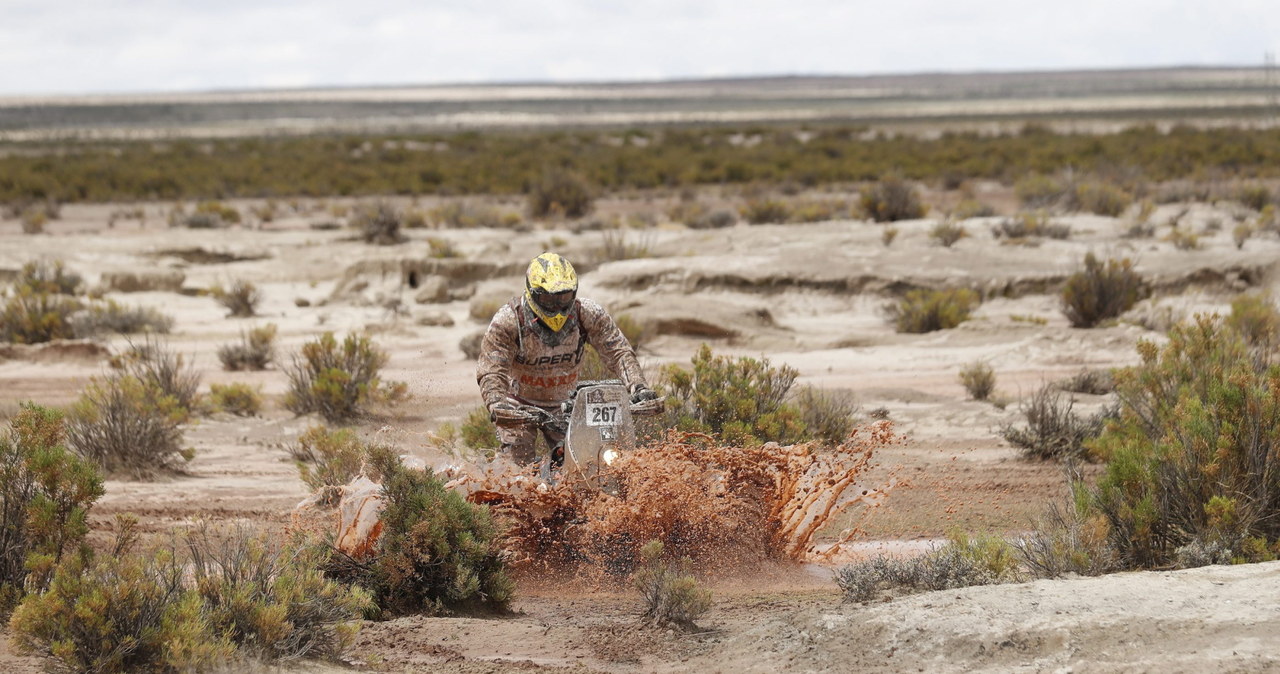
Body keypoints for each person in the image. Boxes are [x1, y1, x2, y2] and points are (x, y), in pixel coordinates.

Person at [476, 252, 657, 466]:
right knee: (516, 468)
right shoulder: (509, 320)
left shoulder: (588, 314)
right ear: (532, 293)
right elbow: (491, 369)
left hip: (569, 405)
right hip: (518, 406)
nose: (556, 306)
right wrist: (496, 402)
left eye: (563, 297)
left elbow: (618, 351)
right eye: (548, 299)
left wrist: (639, 388)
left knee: (588, 462)